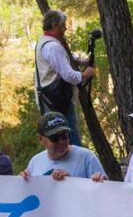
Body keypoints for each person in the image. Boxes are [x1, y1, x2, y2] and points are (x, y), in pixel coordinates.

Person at [34, 10, 95, 147]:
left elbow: (58, 62)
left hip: (49, 98)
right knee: (69, 136)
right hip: (58, 99)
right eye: (63, 26)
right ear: (55, 25)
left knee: (57, 137)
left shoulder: (43, 42)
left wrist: (80, 61)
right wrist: (86, 74)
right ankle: (77, 166)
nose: (65, 29)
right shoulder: (54, 47)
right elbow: (69, 76)